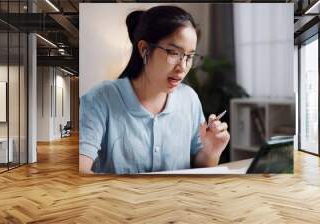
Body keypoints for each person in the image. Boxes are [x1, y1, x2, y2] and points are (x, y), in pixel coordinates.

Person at [79, 5, 230, 174]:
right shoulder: (100, 99)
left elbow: (199, 170)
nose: (183, 67)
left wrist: (211, 151)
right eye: (173, 53)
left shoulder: (189, 99)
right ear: (144, 50)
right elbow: (81, 170)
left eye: (189, 57)